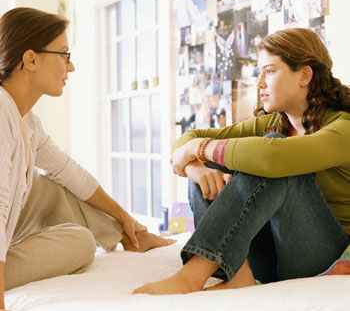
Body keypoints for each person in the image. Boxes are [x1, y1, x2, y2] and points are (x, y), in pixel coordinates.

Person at [133, 27, 350, 295]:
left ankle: (193, 275)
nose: (259, 83)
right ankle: (238, 274)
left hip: (320, 258)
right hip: (269, 260)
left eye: (269, 71)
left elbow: (272, 156)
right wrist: (195, 166)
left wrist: (198, 148)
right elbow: (189, 137)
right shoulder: (277, 122)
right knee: (211, 164)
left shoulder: (344, 128)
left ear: (304, 75)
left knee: (269, 150)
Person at [0, 7, 174, 311]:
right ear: (30, 59)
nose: (72, 66)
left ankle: (132, 236)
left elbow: (70, 172)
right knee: (80, 242)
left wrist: (126, 220)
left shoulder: (28, 121)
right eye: (64, 55)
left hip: (14, 221)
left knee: (51, 185)